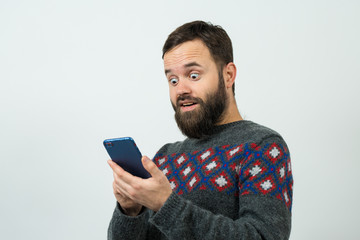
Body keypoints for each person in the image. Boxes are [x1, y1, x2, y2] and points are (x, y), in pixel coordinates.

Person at [107, 20, 293, 240]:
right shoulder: (166, 158)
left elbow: (262, 236)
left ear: (228, 75)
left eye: (193, 75)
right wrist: (130, 210)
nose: (181, 90)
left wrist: (167, 204)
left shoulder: (262, 146)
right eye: (173, 80)